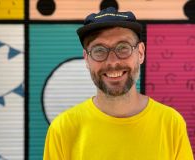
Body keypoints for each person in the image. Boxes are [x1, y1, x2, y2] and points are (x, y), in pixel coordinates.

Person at [43, 7, 194, 160]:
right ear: (87, 59)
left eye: (123, 48)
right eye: (99, 50)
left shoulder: (170, 124)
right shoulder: (63, 129)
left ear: (140, 53)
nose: (113, 62)